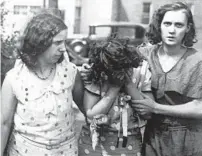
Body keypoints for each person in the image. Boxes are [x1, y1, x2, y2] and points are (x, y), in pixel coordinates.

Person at [128, 2, 202, 156]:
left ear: (187, 28)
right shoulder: (145, 54)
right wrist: (90, 70)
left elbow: (199, 108)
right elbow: (115, 64)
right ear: (159, 25)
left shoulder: (196, 60)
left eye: (179, 25)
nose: (172, 30)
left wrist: (155, 107)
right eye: (167, 23)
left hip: (189, 139)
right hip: (154, 136)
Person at [1, 12, 85, 156]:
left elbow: (86, 108)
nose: (63, 48)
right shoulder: (14, 78)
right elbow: (3, 124)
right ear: (40, 43)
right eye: (57, 42)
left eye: (64, 42)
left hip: (66, 152)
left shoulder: (70, 72)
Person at [78, 38, 152, 156]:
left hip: (129, 144)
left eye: (123, 67)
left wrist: (128, 85)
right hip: (94, 143)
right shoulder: (97, 74)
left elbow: (148, 113)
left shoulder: (140, 73)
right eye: (112, 70)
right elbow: (92, 115)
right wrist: (114, 88)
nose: (118, 73)